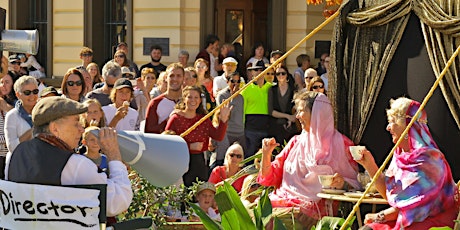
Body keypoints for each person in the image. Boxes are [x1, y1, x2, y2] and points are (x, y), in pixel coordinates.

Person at [6, 97, 133, 217]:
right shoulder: (74, 164)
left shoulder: (16, 154)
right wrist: (114, 154)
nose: (81, 129)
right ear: (55, 128)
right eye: (76, 123)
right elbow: (118, 201)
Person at [258, 91, 360, 227]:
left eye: (301, 111)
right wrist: (266, 155)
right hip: (280, 203)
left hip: (313, 213)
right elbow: (269, 178)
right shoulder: (295, 142)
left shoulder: (342, 145)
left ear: (318, 114)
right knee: (252, 216)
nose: (297, 116)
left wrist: (343, 183)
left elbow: (358, 182)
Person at [357, 97, 458, 229]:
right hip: (404, 221)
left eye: (392, 122)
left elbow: (413, 208)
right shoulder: (400, 154)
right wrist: (369, 164)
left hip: (428, 224)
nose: (388, 127)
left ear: (407, 125)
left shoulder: (430, 160)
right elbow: (392, 197)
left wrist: (379, 216)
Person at [165, 85, 230, 186]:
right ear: (184, 99)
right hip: (180, 161)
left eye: (196, 97)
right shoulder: (176, 118)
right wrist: (189, 146)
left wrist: (223, 120)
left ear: (200, 100)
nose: (193, 100)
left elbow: (218, 136)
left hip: (199, 162)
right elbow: (167, 142)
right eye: (189, 97)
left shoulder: (203, 119)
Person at [213, 72, 246, 169]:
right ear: (227, 82)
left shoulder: (241, 97)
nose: (235, 84)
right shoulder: (222, 95)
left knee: (239, 162)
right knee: (224, 159)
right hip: (227, 131)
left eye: (238, 81)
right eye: (233, 81)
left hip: (240, 132)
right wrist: (232, 97)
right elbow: (224, 113)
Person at [241, 61, 272, 158]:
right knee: (250, 155)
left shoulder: (271, 88)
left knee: (266, 156)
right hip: (251, 127)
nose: (259, 72)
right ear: (252, 72)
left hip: (267, 127)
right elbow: (242, 110)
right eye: (256, 70)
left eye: (261, 70)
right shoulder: (245, 89)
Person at [144, 63, 184, 134]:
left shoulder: (190, 101)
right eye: (171, 76)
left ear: (183, 78)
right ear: (166, 78)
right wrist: (169, 120)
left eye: (179, 76)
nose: (175, 79)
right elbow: (149, 132)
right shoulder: (155, 103)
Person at [5, 76, 39, 154]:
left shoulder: (44, 112)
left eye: (35, 91)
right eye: (27, 92)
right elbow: (12, 147)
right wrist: (34, 129)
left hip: (40, 161)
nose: (32, 96)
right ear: (18, 95)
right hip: (20, 162)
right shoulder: (12, 116)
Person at [268, 65, 298, 145]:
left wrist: (292, 118)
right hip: (275, 126)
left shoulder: (293, 89)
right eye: (278, 74)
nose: (281, 76)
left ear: (287, 74)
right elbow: (271, 111)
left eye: (283, 73)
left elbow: (298, 107)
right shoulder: (272, 90)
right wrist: (287, 116)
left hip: (291, 127)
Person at [0, 72, 17, 179]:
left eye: (7, 82)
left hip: (12, 156)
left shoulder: (18, 104)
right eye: (1, 82)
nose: (3, 85)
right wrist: (8, 140)